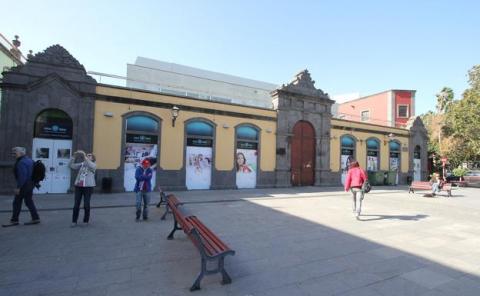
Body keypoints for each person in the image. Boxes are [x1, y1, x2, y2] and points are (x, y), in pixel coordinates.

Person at [2, 147, 40, 227]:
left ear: (21, 153)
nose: (13, 154)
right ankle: (35, 218)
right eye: (12, 153)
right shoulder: (30, 160)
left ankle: (14, 220)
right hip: (31, 184)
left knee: (17, 202)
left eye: (15, 153)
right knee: (29, 201)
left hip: (24, 185)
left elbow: (22, 176)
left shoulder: (21, 162)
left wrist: (18, 187)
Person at [69, 150, 96, 227]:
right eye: (87, 155)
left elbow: (90, 165)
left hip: (88, 187)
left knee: (86, 204)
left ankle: (86, 220)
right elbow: (71, 165)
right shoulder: (82, 164)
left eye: (90, 155)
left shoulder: (93, 165)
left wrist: (84, 154)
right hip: (79, 186)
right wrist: (74, 156)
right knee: (76, 204)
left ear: (93, 159)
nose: (88, 156)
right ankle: (74, 221)